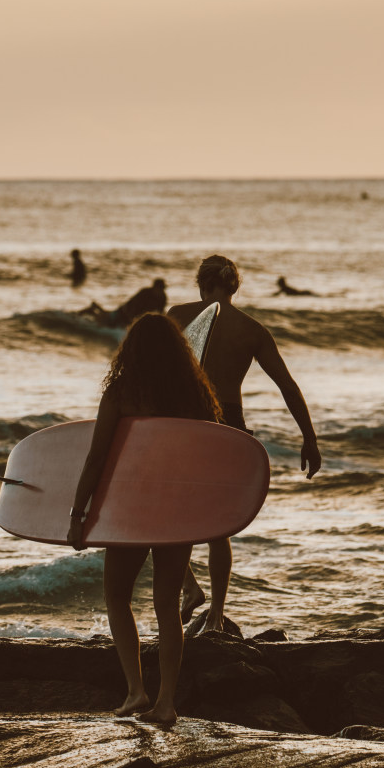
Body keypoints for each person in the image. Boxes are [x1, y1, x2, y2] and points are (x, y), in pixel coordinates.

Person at [67, 313, 223, 725]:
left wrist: (77, 515)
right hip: (177, 509)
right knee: (167, 607)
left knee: (117, 597)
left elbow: (96, 459)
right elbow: (209, 458)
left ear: (131, 350)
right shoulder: (195, 395)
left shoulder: (122, 392)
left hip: (131, 508)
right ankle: (167, 702)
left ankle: (136, 691)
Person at [168, 254, 322, 625]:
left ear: (202, 285)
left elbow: (150, 371)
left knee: (168, 511)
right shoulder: (253, 330)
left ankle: (189, 588)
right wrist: (309, 438)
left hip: (183, 421)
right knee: (218, 524)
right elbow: (287, 386)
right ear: (233, 286)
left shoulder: (176, 315)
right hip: (228, 423)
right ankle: (217, 615)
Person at [80, 279, 167, 328]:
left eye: (162, 289)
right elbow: (133, 306)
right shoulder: (145, 293)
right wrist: (129, 322)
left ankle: (96, 307)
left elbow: (161, 312)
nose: (160, 291)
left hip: (134, 316)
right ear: (154, 288)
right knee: (107, 321)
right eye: (159, 289)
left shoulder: (163, 297)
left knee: (108, 316)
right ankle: (92, 310)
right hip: (125, 311)